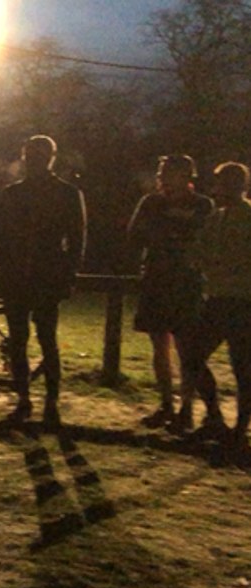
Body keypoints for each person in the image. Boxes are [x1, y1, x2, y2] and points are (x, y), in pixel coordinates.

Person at [0, 135, 87, 429]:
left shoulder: (19, 193)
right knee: (36, 340)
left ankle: (34, 400)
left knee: (31, 339)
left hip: (35, 274)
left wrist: (69, 273)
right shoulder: (62, 193)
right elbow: (75, 241)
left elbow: (76, 239)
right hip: (34, 274)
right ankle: (42, 400)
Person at [126, 155, 213, 428]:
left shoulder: (201, 204)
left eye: (167, 172)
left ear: (186, 175)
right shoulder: (151, 202)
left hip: (186, 282)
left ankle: (186, 408)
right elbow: (134, 234)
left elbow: (203, 239)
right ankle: (166, 404)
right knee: (159, 345)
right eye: (160, 171)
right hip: (156, 279)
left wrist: (168, 235)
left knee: (187, 346)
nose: (161, 177)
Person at [181, 162, 251, 453]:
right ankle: (216, 417)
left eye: (220, 182)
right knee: (192, 355)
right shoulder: (216, 217)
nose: (216, 188)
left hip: (242, 299)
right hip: (218, 297)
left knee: (242, 365)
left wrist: (215, 263)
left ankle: (239, 428)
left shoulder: (246, 217)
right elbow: (197, 253)